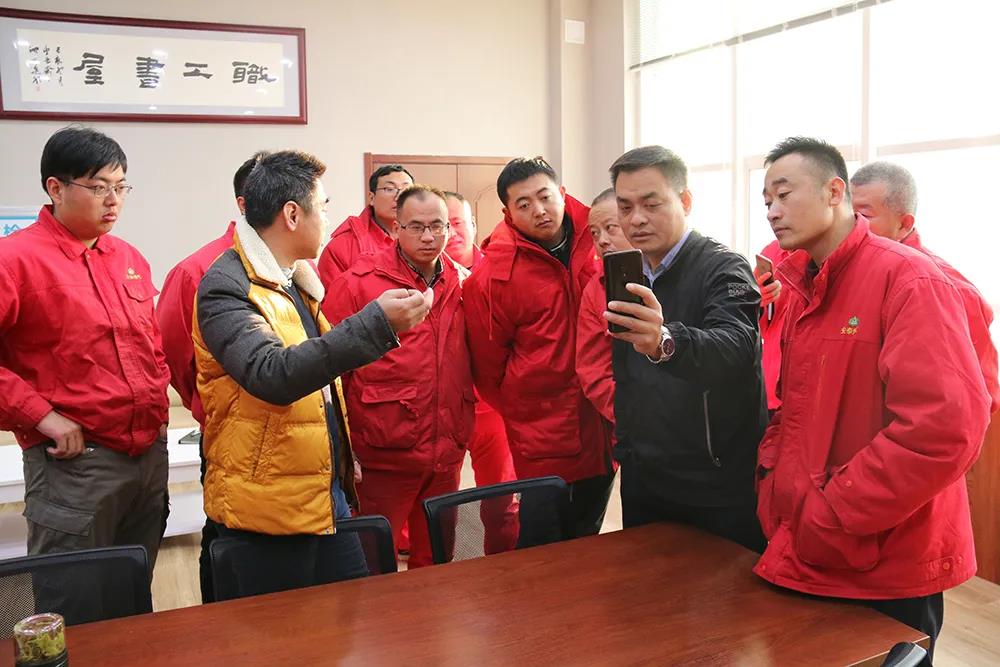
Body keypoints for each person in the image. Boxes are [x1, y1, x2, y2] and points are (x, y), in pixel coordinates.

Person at [756, 137, 989, 660]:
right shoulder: (803, 284)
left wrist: (833, 508)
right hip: (808, 544)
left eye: (784, 195)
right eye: (765, 200)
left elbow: (944, 428)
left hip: (885, 558)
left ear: (834, 191)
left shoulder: (909, 278)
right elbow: (791, 407)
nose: (772, 211)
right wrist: (773, 485)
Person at [193, 150, 430, 596]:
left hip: (321, 491)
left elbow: (318, 382)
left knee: (351, 614)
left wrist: (339, 452)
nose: (328, 217)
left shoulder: (295, 279)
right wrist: (375, 323)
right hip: (268, 504)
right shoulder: (227, 285)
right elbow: (272, 374)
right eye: (323, 206)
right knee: (286, 631)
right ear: (292, 215)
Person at [0, 126, 170, 575]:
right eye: (98, 188)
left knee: (132, 590)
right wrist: (42, 416)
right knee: (74, 597)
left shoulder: (128, 258)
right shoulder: (14, 259)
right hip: (76, 462)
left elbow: (149, 347)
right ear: (55, 188)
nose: (113, 200)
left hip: (147, 457)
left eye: (121, 187)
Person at [604, 145, 768, 553]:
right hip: (645, 478)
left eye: (651, 204)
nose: (636, 218)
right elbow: (627, 376)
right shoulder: (630, 272)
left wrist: (665, 341)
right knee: (645, 583)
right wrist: (628, 450)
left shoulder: (724, 268)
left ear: (686, 201)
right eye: (625, 207)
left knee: (724, 588)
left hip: (713, 482)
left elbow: (736, 347)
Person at [463, 157, 613, 546]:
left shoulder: (602, 238)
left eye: (545, 197)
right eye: (524, 204)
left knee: (589, 538)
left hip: (605, 423)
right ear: (508, 213)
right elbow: (488, 370)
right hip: (544, 434)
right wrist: (528, 411)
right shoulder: (494, 276)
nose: (539, 210)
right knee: (542, 543)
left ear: (561, 193)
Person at [325, 185, 473, 568]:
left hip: (446, 450)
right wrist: (342, 448)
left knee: (437, 557)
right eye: (416, 227)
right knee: (374, 562)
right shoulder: (359, 283)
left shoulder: (462, 282)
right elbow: (330, 367)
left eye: (437, 226)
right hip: (384, 451)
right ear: (395, 229)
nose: (428, 237)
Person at [155, 151, 265, 603]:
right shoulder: (198, 270)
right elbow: (175, 354)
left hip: (290, 436)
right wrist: (207, 405)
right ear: (244, 203)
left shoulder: (300, 268)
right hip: (228, 432)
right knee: (227, 535)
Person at [850, 161, 999, 413]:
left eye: (864, 216)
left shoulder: (947, 288)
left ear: (904, 224)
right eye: (847, 214)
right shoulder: (850, 274)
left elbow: (978, 400)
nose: (852, 225)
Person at [443, 190, 519, 553]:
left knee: (501, 500)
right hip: (444, 407)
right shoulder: (419, 278)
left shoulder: (499, 272)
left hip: (492, 406)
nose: (451, 232)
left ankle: (503, 570)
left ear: (473, 225)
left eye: (458, 223)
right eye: (443, 225)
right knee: (439, 503)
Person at [576, 188, 634, 431]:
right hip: (632, 425)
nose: (601, 240)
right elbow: (593, 372)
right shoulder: (595, 289)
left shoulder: (670, 270)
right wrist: (632, 416)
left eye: (611, 228)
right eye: (594, 233)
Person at [317, 164, 414, 299]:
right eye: (389, 189)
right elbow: (332, 304)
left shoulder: (426, 239)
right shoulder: (342, 246)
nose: (399, 197)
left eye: (407, 190)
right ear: (371, 198)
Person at [753, 239, 791, 413]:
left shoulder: (825, 254)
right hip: (769, 385)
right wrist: (756, 300)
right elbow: (754, 323)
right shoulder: (773, 250)